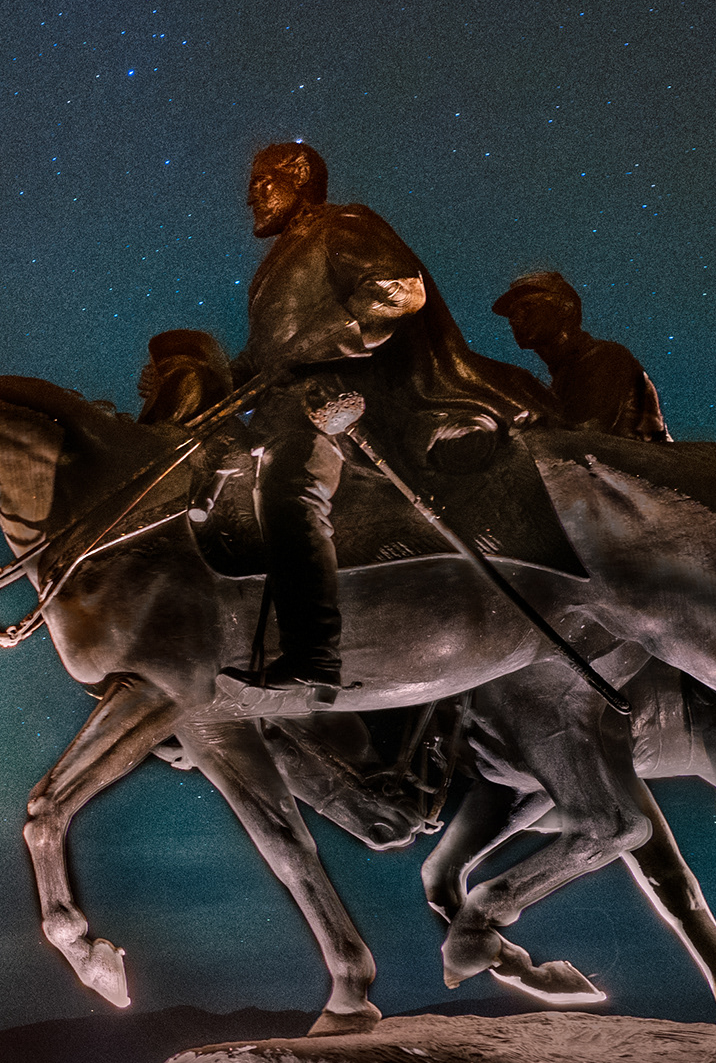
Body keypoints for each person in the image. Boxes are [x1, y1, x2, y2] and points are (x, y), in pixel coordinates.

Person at [231, 142, 549, 687]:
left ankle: (313, 656)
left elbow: (397, 289)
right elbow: (265, 355)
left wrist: (315, 341)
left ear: (300, 177)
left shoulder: (342, 225)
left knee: (288, 485)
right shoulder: (278, 260)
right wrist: (204, 384)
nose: (250, 197)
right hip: (283, 405)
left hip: (343, 402)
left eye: (263, 182)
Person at [493, 268, 672, 442]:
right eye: (512, 313)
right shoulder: (563, 376)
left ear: (565, 308)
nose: (515, 319)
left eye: (527, 306)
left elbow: (584, 437)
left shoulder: (605, 358)